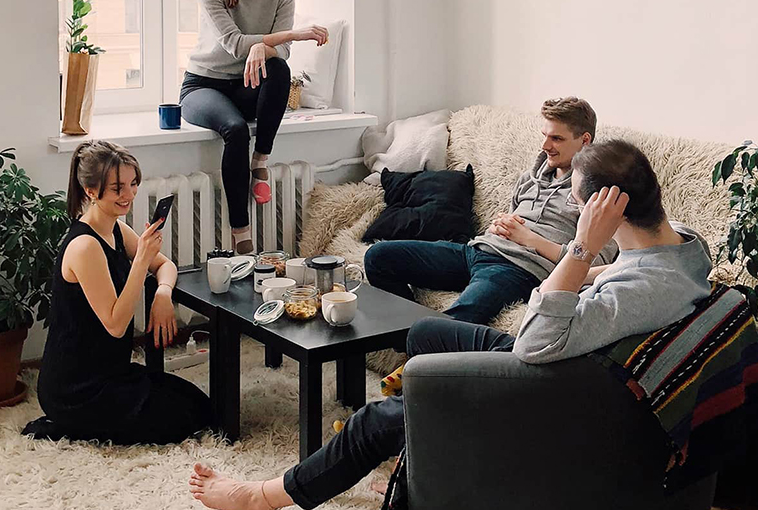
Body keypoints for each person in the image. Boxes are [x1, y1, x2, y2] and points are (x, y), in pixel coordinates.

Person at [187, 139, 714, 509]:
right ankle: (424, 454)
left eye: (578, 203)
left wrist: (581, 247)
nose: (575, 209)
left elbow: (535, 341)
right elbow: (621, 277)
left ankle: (263, 496)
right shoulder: (684, 244)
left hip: (554, 380)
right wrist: (592, 262)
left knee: (381, 416)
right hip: (571, 346)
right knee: (425, 332)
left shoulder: (638, 291)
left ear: (608, 209)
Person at [364, 97, 618, 326]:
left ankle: (421, 348)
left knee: (455, 322)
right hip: (477, 251)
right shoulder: (529, 179)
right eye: (545, 135)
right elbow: (513, 219)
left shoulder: (599, 193)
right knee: (379, 257)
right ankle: (407, 339)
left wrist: (529, 239)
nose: (545, 145)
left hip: (518, 270)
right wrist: (500, 227)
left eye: (556, 139)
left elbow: (593, 262)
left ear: (585, 140)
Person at [22, 140, 210, 445]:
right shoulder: (84, 246)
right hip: (76, 387)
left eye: (133, 184)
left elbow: (166, 265)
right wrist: (141, 261)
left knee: (199, 406)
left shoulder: (117, 230)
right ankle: (64, 425)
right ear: (90, 190)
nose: (129, 195)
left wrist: (163, 294)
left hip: (113, 371)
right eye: (118, 188)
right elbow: (116, 325)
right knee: (180, 422)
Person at [181, 0, 329, 255]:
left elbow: (282, 55)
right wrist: (291, 34)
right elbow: (235, 44)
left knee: (279, 68)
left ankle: (260, 158)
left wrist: (265, 47)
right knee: (235, 130)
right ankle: (240, 231)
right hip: (203, 85)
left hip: (246, 86)